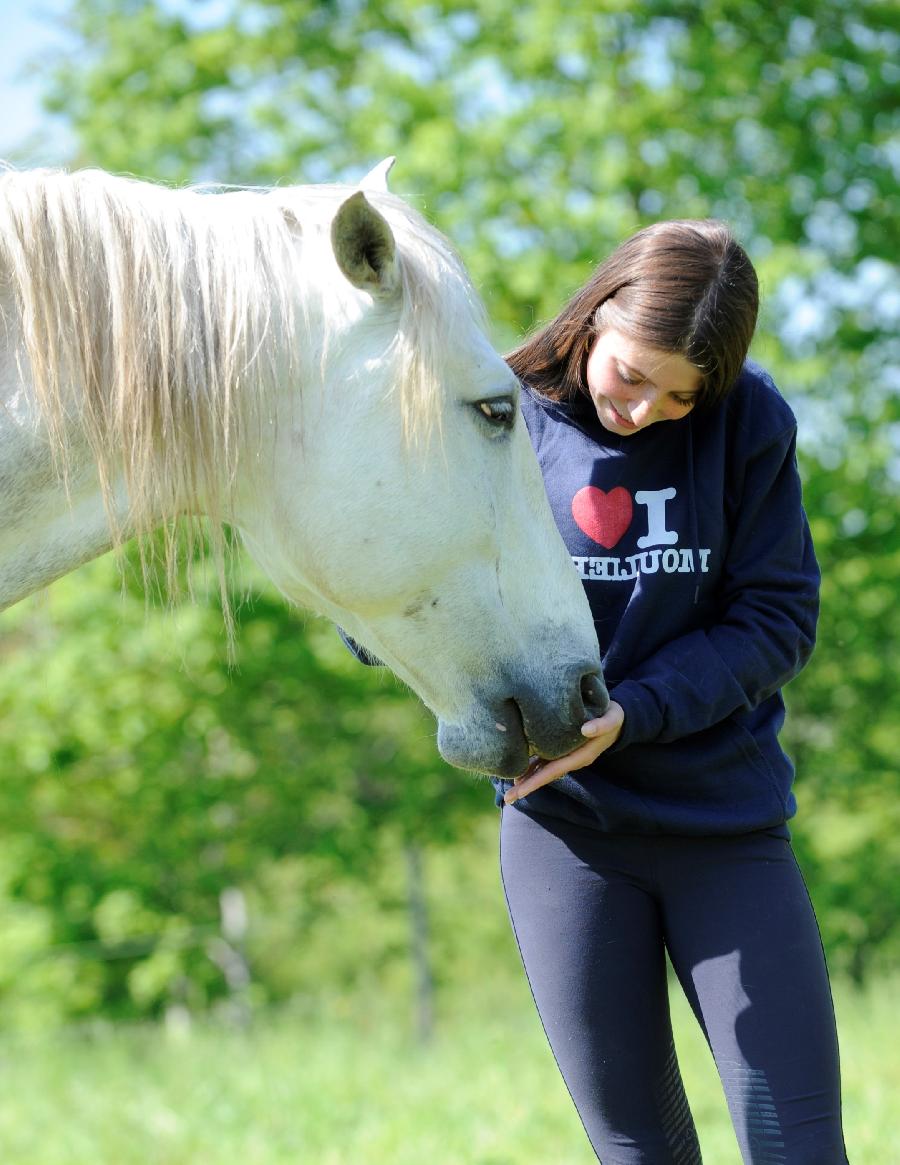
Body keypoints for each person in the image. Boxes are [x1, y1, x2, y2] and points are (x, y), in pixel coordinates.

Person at [495, 220, 848, 1163]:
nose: (646, 409)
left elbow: (777, 617)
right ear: (595, 315)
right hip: (566, 833)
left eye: (680, 394)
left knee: (798, 1143)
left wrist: (634, 714)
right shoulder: (500, 415)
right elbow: (403, 592)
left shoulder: (750, 421)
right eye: (633, 374)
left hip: (724, 828)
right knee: (639, 1148)